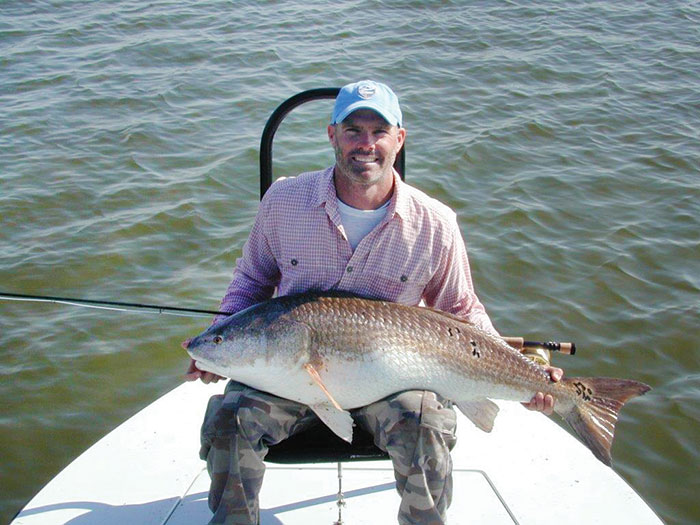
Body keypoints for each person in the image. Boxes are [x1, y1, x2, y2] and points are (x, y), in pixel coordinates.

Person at [185, 80, 563, 525]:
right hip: (287, 378)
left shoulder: (436, 223)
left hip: (390, 388)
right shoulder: (284, 201)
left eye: (379, 132)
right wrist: (219, 340)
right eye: (353, 131)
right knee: (228, 418)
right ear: (332, 135)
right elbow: (251, 282)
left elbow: (462, 311)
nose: (366, 145)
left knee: (427, 425)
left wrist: (527, 371)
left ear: (399, 139)